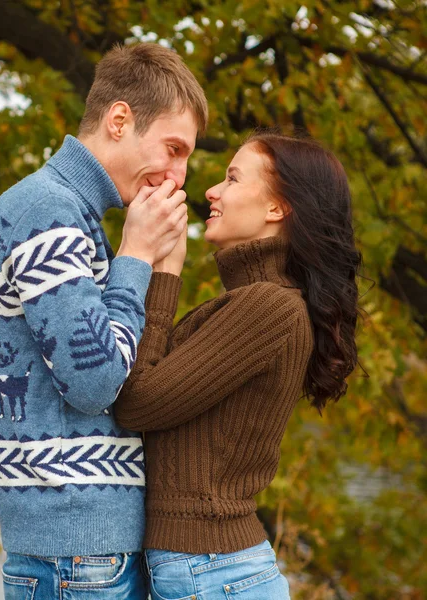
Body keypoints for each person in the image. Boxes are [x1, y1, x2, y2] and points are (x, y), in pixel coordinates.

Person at [0, 42, 208, 599]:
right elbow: (95, 380)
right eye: (173, 149)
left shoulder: (72, 216)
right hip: (77, 552)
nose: (177, 177)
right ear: (120, 119)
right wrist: (135, 255)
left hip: (82, 550)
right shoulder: (47, 210)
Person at [114, 132, 361, 600]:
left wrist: (161, 273)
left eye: (231, 178)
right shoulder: (250, 303)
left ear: (277, 208)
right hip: (208, 572)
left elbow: (135, 401)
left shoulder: (269, 308)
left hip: (212, 575)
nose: (212, 191)